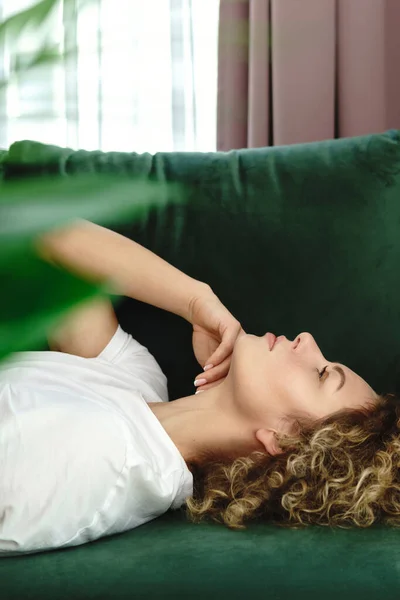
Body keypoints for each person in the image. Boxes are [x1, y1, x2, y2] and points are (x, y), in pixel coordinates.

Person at [0, 221, 398, 557]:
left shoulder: (110, 461)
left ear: (284, 439)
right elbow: (49, 238)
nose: (308, 340)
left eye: (321, 374)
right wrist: (194, 299)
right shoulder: (138, 382)